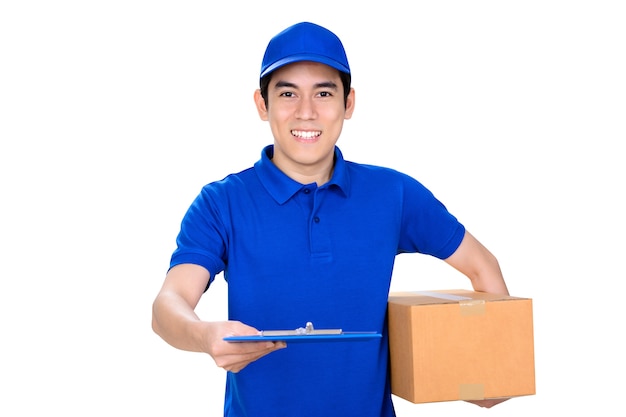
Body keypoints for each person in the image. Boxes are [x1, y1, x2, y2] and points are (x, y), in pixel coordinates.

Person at [152, 21, 511, 417]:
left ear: (348, 103)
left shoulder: (394, 194)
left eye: (324, 93)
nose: (306, 112)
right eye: (288, 93)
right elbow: (169, 304)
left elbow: (483, 267)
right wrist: (205, 335)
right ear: (262, 103)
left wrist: (495, 368)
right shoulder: (222, 202)